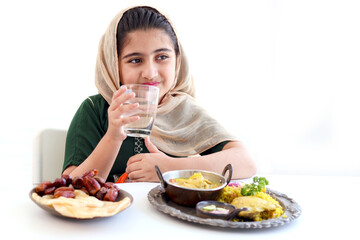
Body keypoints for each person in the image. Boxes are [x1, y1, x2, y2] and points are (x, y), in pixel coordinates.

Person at [62, 6, 256, 182]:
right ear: (114, 66)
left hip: (170, 220)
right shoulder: (95, 109)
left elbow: (246, 163)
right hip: (112, 219)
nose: (150, 73)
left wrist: (170, 167)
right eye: (136, 60)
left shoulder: (185, 111)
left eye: (162, 57)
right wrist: (113, 136)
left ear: (177, 60)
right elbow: (70, 188)